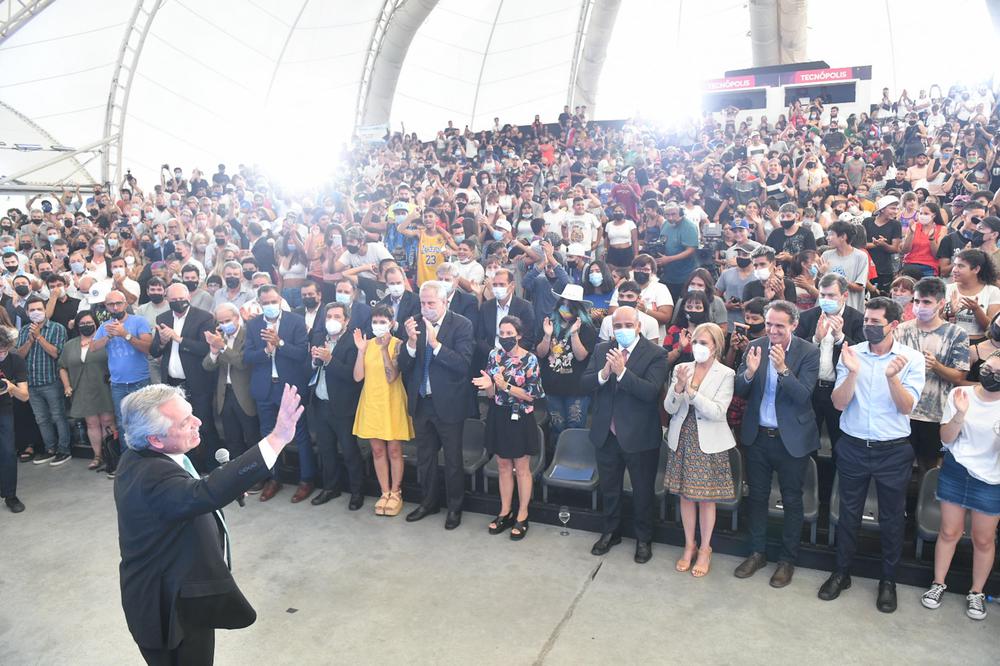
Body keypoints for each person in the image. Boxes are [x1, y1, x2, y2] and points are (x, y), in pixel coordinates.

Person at [115, 382, 304, 665]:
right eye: (185, 421)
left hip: (184, 593)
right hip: (170, 610)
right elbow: (205, 493)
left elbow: (192, 494)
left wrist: (220, 485)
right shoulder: (151, 478)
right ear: (155, 439)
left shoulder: (143, 456)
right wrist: (278, 438)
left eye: (191, 413)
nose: (198, 422)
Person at [819, 297, 926, 613]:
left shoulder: (911, 359)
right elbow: (839, 404)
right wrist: (852, 373)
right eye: (866, 320)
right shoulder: (851, 353)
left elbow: (907, 407)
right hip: (853, 445)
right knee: (848, 513)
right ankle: (842, 573)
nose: (869, 325)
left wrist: (892, 377)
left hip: (892, 450)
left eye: (876, 322)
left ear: (893, 325)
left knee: (892, 518)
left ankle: (888, 580)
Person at [733, 301, 820, 587]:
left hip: (791, 440)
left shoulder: (808, 352)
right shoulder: (755, 345)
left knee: (791, 500)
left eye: (779, 325)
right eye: (769, 324)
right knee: (756, 497)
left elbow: (803, 396)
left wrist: (782, 369)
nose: (772, 330)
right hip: (757, 436)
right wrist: (748, 372)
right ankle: (757, 552)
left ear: (794, 325)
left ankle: (787, 560)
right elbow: (740, 390)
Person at [581, 306, 669, 564]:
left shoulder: (656, 354)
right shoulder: (601, 350)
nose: (622, 330)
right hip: (606, 433)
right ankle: (611, 531)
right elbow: (585, 383)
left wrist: (621, 373)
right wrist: (603, 374)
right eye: (617, 326)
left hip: (639, 435)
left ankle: (643, 538)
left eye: (627, 325)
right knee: (610, 488)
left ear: (639, 326)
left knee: (642, 490)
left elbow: (650, 392)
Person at [921, 356, 1000, 621]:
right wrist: (960, 414)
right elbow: (945, 438)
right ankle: (938, 583)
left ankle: (976, 592)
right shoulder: (961, 393)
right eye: (989, 368)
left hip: (991, 480)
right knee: (949, 531)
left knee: (984, 539)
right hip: (957, 471)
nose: (992, 374)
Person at [399, 281, 476, 529]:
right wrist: (410, 344)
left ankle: (454, 508)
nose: (426, 308)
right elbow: (404, 367)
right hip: (422, 402)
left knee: (452, 460)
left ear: (444, 302)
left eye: (431, 303)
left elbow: (462, 365)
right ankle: (428, 502)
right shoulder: (414, 324)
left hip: (449, 404)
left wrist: (435, 345)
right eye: (423, 303)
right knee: (425, 458)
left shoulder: (462, 324)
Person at [664, 323, 736, 577]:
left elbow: (718, 412)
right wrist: (679, 388)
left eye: (704, 343)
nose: (698, 348)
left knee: (706, 498)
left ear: (716, 346)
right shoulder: (681, 368)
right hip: (683, 437)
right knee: (685, 495)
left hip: (708, 442)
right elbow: (670, 407)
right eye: (695, 342)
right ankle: (689, 544)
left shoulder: (726, 374)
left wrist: (692, 393)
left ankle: (705, 548)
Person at [474, 316, 544, 540]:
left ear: (519, 335)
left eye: (509, 333)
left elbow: (531, 396)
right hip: (498, 414)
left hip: (521, 416)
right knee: (503, 464)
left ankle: (523, 514)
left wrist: (505, 385)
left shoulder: (530, 359)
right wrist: (489, 387)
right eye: (501, 333)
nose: (505, 337)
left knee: (521, 467)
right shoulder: (493, 355)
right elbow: (493, 394)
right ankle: (505, 510)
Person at [243, 285, 313, 503]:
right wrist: (266, 351)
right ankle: (274, 477)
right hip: (265, 388)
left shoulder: (295, 321)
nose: (270, 306)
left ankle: (306, 479)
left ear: (280, 299)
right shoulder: (253, 325)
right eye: (265, 303)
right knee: (267, 435)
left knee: (300, 435)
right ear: (259, 303)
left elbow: (302, 353)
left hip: (290, 388)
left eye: (273, 301)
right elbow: (248, 356)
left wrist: (279, 343)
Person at [894, 277, 969, 473]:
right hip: (902, 411)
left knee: (929, 467)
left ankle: (923, 503)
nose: (920, 306)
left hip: (935, 414)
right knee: (898, 466)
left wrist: (936, 366)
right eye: (917, 301)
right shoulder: (901, 330)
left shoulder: (956, 334)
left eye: (926, 302)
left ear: (941, 303)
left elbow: (959, 377)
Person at [794, 274, 865, 459]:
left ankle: (834, 485)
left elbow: (862, 355)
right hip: (811, 388)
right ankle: (810, 482)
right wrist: (815, 339)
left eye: (832, 296)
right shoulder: (808, 317)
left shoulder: (857, 319)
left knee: (840, 444)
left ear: (844, 296)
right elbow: (795, 351)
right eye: (823, 295)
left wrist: (840, 337)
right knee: (807, 442)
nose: (826, 300)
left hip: (839, 389)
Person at [150, 283, 219, 471]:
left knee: (204, 425)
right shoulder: (162, 317)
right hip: (173, 382)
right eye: (173, 300)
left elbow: (205, 349)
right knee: (178, 428)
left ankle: (213, 466)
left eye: (181, 300)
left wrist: (178, 338)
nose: (178, 303)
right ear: (167, 300)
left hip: (197, 381)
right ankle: (189, 467)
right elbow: (154, 350)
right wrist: (163, 341)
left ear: (189, 299)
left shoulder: (203, 318)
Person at [352, 305, 413, 515]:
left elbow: (392, 376)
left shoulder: (397, 344)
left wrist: (384, 349)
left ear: (391, 323)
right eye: (375, 321)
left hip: (391, 400)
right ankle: (384, 491)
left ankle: (396, 492)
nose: (378, 325)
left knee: (394, 450)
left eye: (383, 321)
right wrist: (361, 351)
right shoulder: (365, 345)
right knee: (377, 450)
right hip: (371, 400)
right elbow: (358, 376)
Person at [202, 303, 259, 470]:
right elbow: (207, 365)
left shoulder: (248, 334)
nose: (224, 324)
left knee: (252, 437)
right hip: (224, 394)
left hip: (244, 394)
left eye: (228, 320)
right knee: (232, 438)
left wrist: (222, 347)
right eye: (220, 321)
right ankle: (237, 474)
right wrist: (213, 350)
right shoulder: (220, 337)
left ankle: (257, 475)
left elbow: (241, 363)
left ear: (237, 318)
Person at [90, 289, 154, 436]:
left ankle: (145, 458)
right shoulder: (105, 326)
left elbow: (148, 348)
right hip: (118, 384)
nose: (115, 307)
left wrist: (124, 334)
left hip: (140, 381)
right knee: (122, 423)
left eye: (118, 303)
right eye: (111, 304)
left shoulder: (139, 321)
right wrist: (108, 337)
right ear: (106, 306)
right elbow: (93, 347)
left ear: (125, 304)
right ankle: (127, 458)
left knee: (144, 421)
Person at [58, 311, 115, 471]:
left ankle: (112, 454)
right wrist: (66, 386)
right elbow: (62, 367)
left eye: (89, 322)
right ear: (77, 326)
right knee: (91, 423)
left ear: (96, 323)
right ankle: (97, 456)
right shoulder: (70, 345)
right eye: (82, 323)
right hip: (81, 388)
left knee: (107, 422)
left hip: (104, 387)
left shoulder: (104, 341)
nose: (86, 325)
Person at [16, 296, 69, 465]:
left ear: (45, 310)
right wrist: (30, 341)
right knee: (41, 419)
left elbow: (57, 353)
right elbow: (19, 356)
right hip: (31, 383)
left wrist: (39, 337)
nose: (36, 312)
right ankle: (50, 449)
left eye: (39, 309)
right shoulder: (24, 330)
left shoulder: (57, 328)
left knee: (58, 417)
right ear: (26, 312)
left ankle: (64, 450)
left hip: (52, 381)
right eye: (32, 310)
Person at [537, 284, 595, 439]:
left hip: (577, 388)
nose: (565, 308)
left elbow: (581, 356)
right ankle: (557, 458)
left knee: (575, 427)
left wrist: (574, 333)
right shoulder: (548, 323)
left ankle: (575, 459)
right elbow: (540, 353)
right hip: (552, 386)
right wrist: (547, 336)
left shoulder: (587, 327)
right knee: (557, 427)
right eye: (563, 303)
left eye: (570, 305)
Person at [475, 268, 534, 371]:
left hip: (516, 361)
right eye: (495, 285)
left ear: (511, 286)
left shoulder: (524, 307)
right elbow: (479, 338)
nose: (498, 288)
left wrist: (510, 354)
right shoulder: (486, 307)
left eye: (502, 285)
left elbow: (528, 338)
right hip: (490, 357)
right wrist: (493, 354)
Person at [0, 325, 29, 512]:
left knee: (9, 453)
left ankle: (10, 495)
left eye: (3, 350)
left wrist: (11, 387)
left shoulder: (16, 360)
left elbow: (24, 396)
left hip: (5, 409)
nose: (1, 354)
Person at [943, 249, 1000, 341]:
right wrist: (950, 313)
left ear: (976, 269)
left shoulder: (992, 291)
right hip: (949, 340)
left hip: (978, 344)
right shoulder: (947, 289)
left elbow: (992, 329)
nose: (954, 270)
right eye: (955, 265)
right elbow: (935, 322)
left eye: (960, 266)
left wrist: (976, 309)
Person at [822, 221, 870, 312]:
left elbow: (859, 287)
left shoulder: (860, 256)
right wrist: (821, 274)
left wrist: (838, 279)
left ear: (843, 237)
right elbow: (820, 285)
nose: (827, 238)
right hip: (828, 309)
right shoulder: (826, 255)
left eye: (831, 235)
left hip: (851, 309)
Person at [655, 202, 700, 300]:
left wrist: (669, 259)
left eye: (673, 214)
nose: (670, 217)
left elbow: (691, 250)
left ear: (680, 213)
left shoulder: (689, 226)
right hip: (667, 275)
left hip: (684, 276)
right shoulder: (665, 224)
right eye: (667, 215)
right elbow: (662, 242)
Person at [598, 280, 660, 345]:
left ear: (639, 298)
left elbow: (654, 352)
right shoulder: (607, 320)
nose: (625, 299)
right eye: (621, 296)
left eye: (629, 296)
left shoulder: (651, 322)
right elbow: (603, 349)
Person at [864, 195, 903, 292]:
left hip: (884, 269)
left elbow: (895, 249)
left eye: (897, 209)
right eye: (892, 208)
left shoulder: (896, 225)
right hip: (866, 267)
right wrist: (875, 244)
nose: (895, 211)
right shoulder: (867, 221)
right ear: (882, 209)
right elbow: (860, 244)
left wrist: (883, 245)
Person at [379, 266, 420, 339]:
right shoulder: (382, 304)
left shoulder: (416, 301)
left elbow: (416, 329)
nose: (395, 286)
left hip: (407, 342)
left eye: (398, 283)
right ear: (386, 284)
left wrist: (395, 325)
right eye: (392, 283)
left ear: (404, 281)